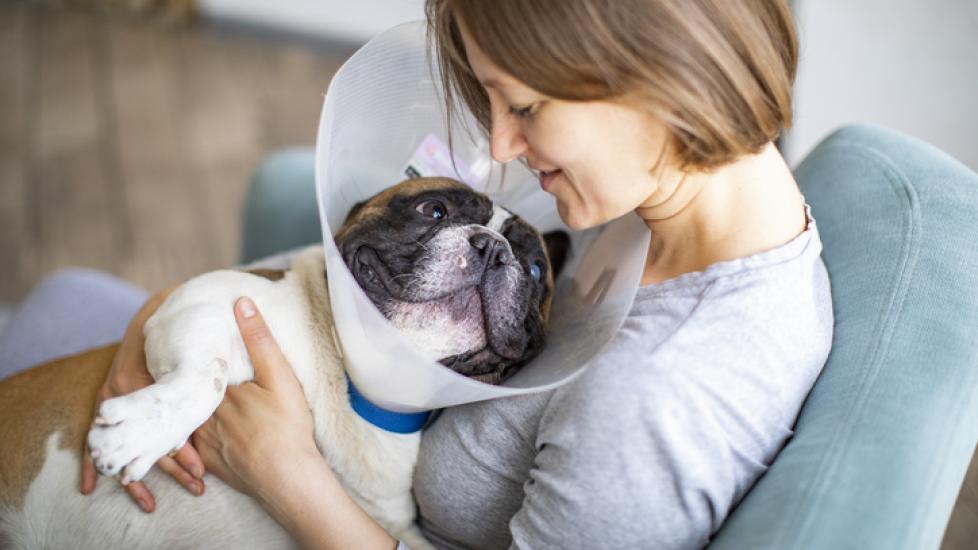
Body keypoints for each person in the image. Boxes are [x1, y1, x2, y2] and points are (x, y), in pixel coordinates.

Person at [0, 0, 833, 548]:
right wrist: (184, 320)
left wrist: (283, 472)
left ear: (661, 81)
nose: (501, 146)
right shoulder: (644, 194)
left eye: (528, 108)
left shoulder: (659, 397)